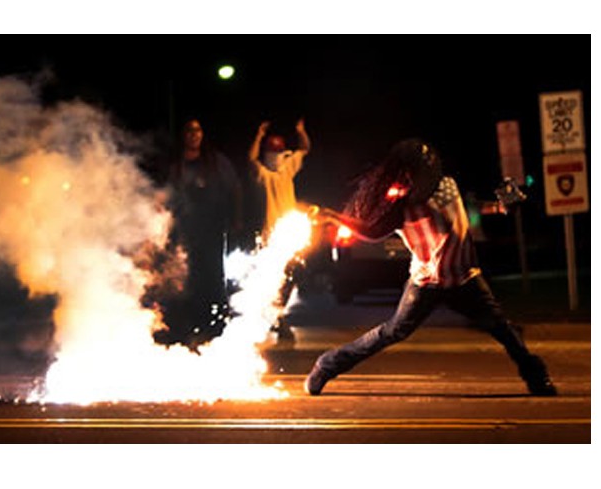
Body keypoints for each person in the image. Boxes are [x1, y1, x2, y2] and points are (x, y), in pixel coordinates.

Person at [304, 138, 557, 396]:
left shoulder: (448, 185)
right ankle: (327, 364)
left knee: (502, 328)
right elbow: (372, 233)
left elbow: (468, 207)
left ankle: (538, 379)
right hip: (426, 283)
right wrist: (333, 216)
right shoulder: (399, 207)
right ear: (407, 174)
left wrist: (500, 207)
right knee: (392, 332)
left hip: (464, 278)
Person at [154, 118, 243, 350]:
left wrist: (235, 219)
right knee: (184, 279)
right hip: (183, 231)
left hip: (211, 230)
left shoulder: (216, 163)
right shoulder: (175, 165)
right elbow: (164, 195)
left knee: (212, 278)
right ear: (183, 135)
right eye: (189, 130)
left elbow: (234, 189)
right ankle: (183, 329)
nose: (194, 135)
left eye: (198, 130)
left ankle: (213, 329)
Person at [248, 118, 311, 343]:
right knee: (275, 279)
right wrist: (259, 135)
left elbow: (304, 148)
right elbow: (251, 159)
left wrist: (300, 131)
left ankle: (277, 315)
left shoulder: (287, 170)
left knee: (290, 278)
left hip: (289, 235)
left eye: (278, 152)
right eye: (272, 153)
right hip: (270, 237)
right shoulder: (265, 175)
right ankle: (277, 318)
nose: (275, 157)